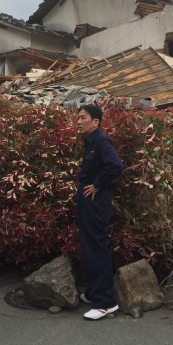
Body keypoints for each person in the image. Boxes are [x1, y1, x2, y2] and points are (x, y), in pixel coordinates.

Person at [75, 104, 124, 320]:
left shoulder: (101, 141)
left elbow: (115, 166)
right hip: (88, 201)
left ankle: (106, 303)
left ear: (96, 121)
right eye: (77, 117)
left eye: (83, 117)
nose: (78, 121)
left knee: (97, 247)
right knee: (90, 246)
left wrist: (97, 184)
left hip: (96, 200)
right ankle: (94, 293)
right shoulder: (90, 142)